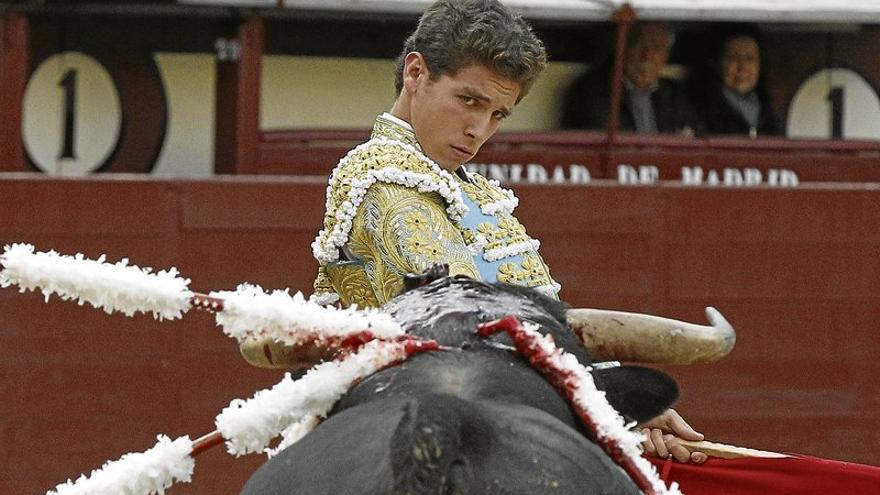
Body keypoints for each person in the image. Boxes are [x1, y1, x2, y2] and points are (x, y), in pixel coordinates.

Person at [255, 1, 880, 492]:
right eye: (469, 100)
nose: (479, 129)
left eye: (499, 114)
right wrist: (603, 397)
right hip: (426, 396)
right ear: (416, 73)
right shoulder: (382, 178)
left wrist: (614, 402)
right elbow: (466, 316)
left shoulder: (459, 183)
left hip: (504, 395)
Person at [560, 22, 703, 136]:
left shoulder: (673, 94)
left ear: (666, 57)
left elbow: (695, 134)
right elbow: (601, 133)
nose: (646, 56)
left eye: (657, 48)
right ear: (622, 48)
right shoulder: (593, 90)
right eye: (638, 45)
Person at [688, 29, 779, 137]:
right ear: (717, 64)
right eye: (733, 58)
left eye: (750, 59)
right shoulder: (697, 107)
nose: (743, 67)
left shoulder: (770, 108)